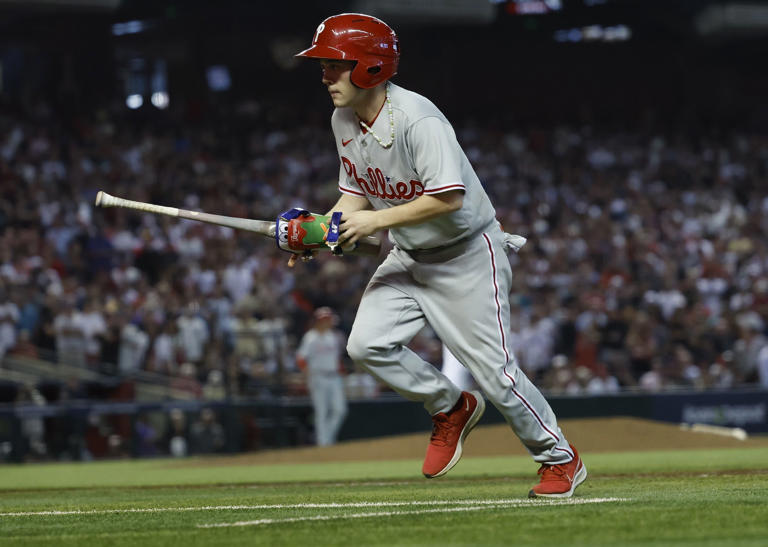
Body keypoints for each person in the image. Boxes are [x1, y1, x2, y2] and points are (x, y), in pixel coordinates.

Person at [293, 13, 586, 498]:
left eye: (333, 65)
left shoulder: (418, 118)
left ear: (368, 66)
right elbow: (355, 196)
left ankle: (560, 458)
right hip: (410, 254)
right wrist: (321, 232)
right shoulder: (342, 118)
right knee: (366, 345)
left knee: (496, 374)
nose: (324, 75)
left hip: (467, 254)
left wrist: (372, 222)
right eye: (323, 65)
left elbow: (447, 198)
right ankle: (450, 406)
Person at [296, 307, 348, 446]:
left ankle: (327, 440)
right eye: (328, 320)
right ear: (320, 321)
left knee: (340, 410)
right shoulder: (310, 337)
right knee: (321, 412)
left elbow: (337, 360)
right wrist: (308, 375)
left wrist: (342, 375)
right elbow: (301, 358)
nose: (331, 323)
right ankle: (323, 444)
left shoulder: (333, 337)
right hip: (318, 377)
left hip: (334, 376)